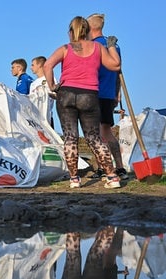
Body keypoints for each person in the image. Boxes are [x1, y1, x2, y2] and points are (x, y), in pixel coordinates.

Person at [43, 16, 122, 189]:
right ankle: (112, 176)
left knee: (70, 137)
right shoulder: (98, 47)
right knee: (94, 137)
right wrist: (111, 46)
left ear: (71, 32)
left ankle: (74, 179)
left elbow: (47, 65)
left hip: (66, 94)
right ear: (87, 31)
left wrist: (53, 86)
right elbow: (116, 65)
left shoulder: (65, 48)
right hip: (89, 95)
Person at [87, 13, 129, 181]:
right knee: (106, 131)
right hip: (109, 93)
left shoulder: (92, 46)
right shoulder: (114, 46)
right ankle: (119, 167)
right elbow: (118, 70)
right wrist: (116, 92)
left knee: (94, 133)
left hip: (94, 92)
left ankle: (104, 167)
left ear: (90, 28)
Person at [29, 55, 56, 128]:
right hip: (35, 119)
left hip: (46, 117)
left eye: (33, 65)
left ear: (40, 65)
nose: (31, 68)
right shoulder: (33, 84)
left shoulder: (50, 79)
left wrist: (45, 94)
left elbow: (56, 95)